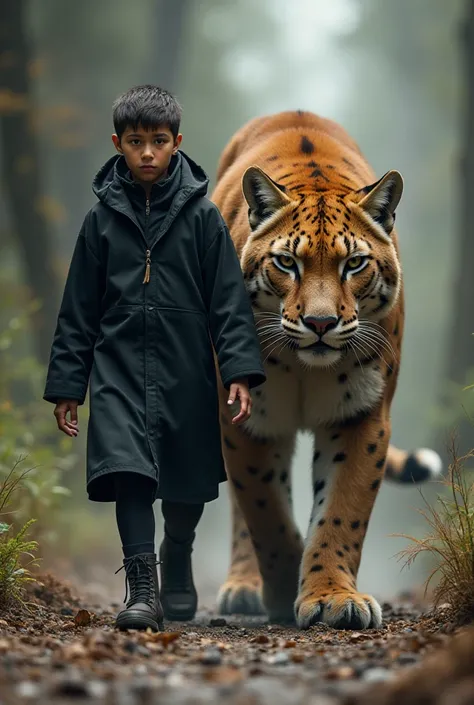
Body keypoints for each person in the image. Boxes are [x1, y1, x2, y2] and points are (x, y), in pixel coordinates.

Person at [43, 84, 266, 632]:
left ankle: (180, 553)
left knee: (186, 482)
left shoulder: (203, 219)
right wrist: (69, 384)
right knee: (129, 472)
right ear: (118, 143)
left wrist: (238, 371)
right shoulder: (99, 223)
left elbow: (228, 303)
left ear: (176, 144)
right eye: (136, 141)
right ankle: (143, 591)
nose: (147, 153)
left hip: (185, 368)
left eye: (158, 141)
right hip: (117, 365)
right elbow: (78, 310)